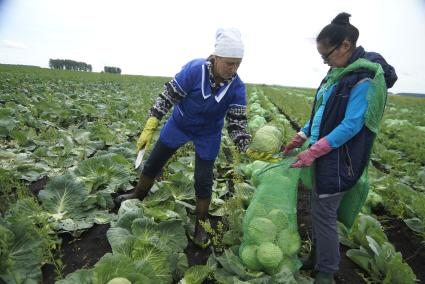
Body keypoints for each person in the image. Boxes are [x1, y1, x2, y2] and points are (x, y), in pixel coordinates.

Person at [283, 12, 397, 284]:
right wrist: (302, 135)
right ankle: (317, 258)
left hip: (340, 159)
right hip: (325, 153)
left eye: (326, 55)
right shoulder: (337, 72)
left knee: (324, 216)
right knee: (317, 209)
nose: (324, 61)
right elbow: (321, 110)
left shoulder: (364, 78)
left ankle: (327, 272)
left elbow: (352, 124)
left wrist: (313, 150)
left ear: (346, 45)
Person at [115, 28, 251, 248]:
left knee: (204, 179)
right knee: (155, 161)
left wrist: (244, 144)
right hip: (179, 124)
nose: (233, 69)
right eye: (229, 63)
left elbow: (237, 122)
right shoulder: (195, 70)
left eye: (238, 64)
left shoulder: (237, 87)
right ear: (216, 57)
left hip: (208, 133)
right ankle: (137, 195)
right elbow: (168, 96)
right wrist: (151, 123)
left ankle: (201, 224)